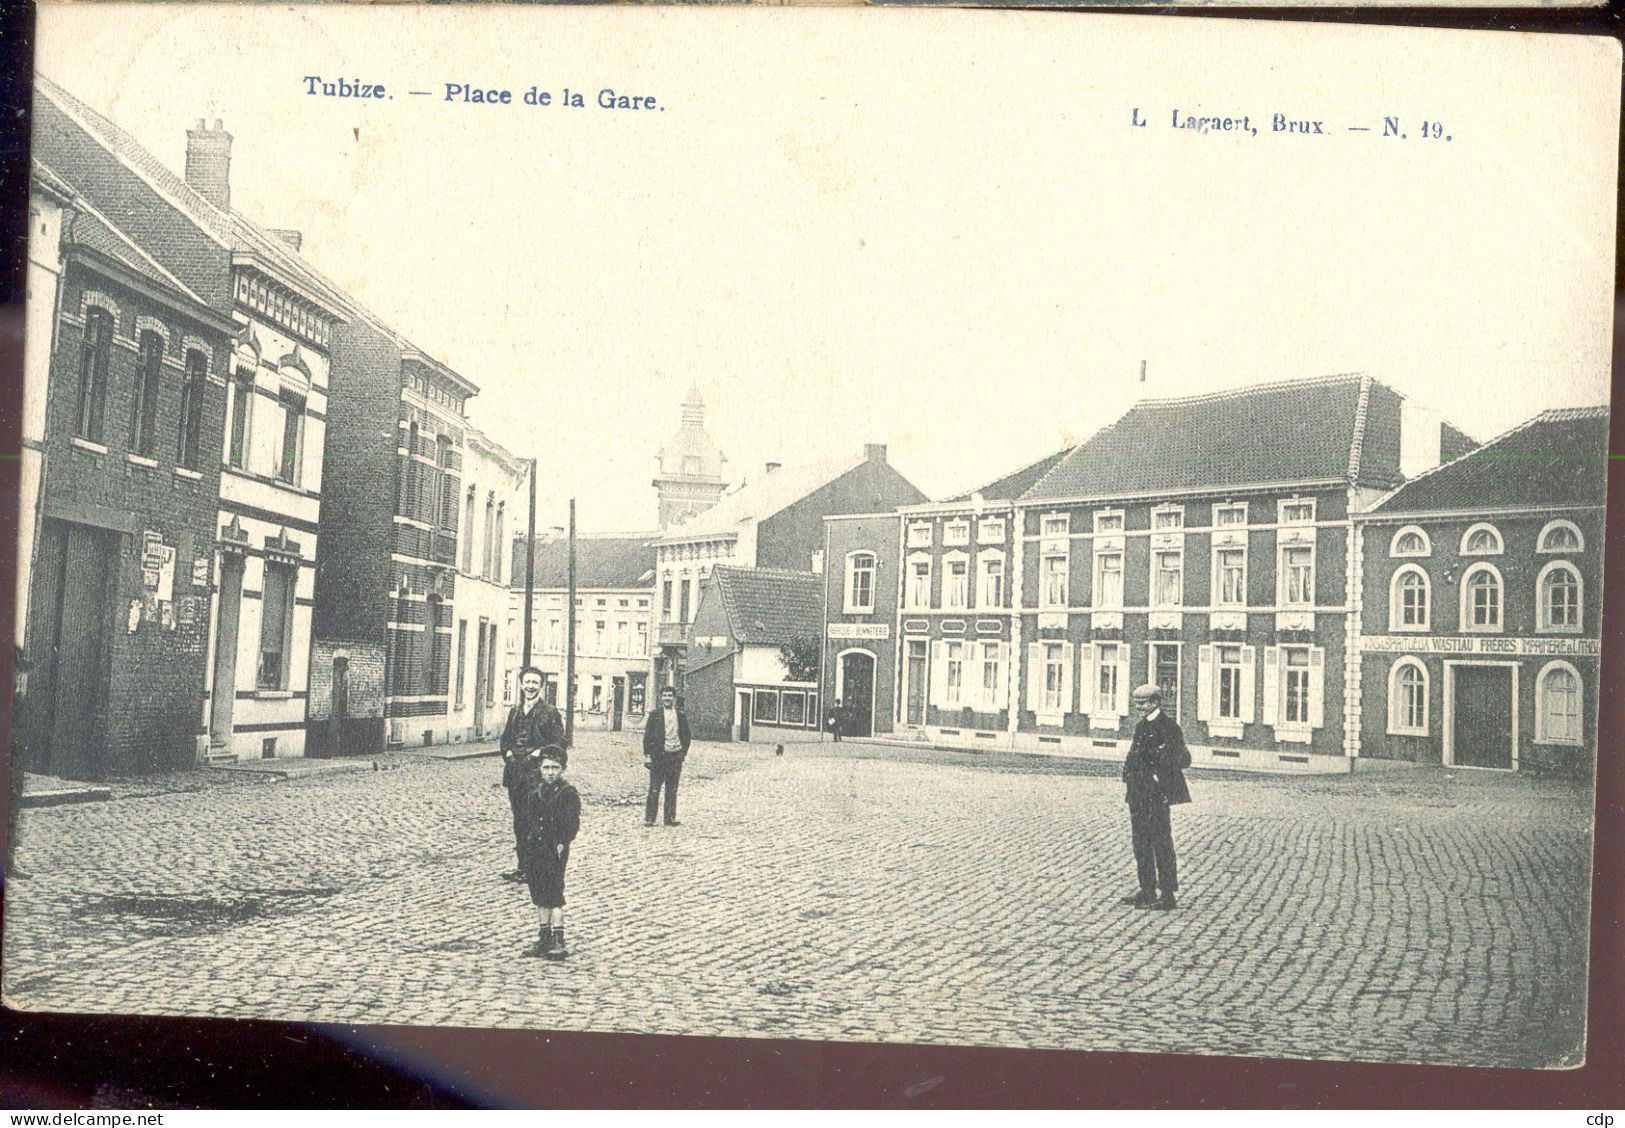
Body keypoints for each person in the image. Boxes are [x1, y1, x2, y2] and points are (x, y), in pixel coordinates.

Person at [1120, 683, 1192, 911]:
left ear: (1155, 702)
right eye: (1137, 703)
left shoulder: (1169, 728)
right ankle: (1147, 889)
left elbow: (1182, 759)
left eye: (1142, 703)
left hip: (1156, 794)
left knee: (1161, 843)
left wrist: (1160, 773)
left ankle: (1168, 894)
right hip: (1138, 794)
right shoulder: (1142, 726)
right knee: (1140, 843)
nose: (1139, 708)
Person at [499, 667, 564, 882]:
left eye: (535, 683)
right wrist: (507, 752)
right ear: (520, 684)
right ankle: (522, 867)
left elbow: (559, 743)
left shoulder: (550, 713)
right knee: (519, 822)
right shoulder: (515, 711)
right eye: (527, 682)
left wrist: (540, 753)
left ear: (541, 686)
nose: (530, 686)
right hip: (515, 775)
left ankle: (536, 869)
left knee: (536, 821)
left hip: (536, 776)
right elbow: (505, 738)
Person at [520, 745, 580, 959]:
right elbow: (528, 820)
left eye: (555, 767)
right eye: (546, 767)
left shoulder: (568, 793)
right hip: (536, 848)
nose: (550, 772)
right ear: (540, 768)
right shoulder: (535, 792)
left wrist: (562, 843)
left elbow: (572, 824)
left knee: (554, 894)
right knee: (538, 893)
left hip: (555, 850)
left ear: (562, 769)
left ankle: (558, 939)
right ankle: (543, 937)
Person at [641, 684, 690, 826]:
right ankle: (650, 818)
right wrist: (648, 755)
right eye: (665, 696)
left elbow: (687, 734)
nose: (667, 698)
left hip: (675, 757)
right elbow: (647, 736)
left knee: (672, 788)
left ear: (674, 698)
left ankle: (670, 818)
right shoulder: (655, 715)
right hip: (659, 757)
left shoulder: (680, 715)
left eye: (670, 696)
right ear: (661, 698)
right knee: (654, 788)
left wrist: (683, 752)